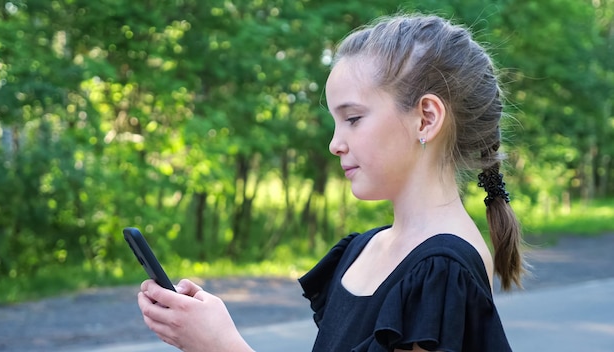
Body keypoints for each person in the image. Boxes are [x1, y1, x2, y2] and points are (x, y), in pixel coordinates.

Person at [137, 13, 526, 352]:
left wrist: (221, 346)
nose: (334, 144)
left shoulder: (441, 271)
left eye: (353, 118)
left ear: (425, 118)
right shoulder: (363, 249)